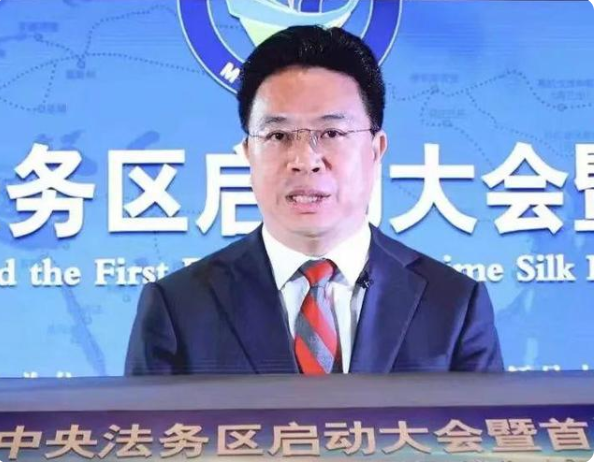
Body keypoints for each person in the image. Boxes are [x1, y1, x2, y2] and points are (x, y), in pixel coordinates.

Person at [125, 25, 503, 375]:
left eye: (332, 133)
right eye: (278, 136)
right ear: (248, 153)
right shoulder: (178, 308)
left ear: (375, 150)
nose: (305, 160)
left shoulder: (453, 305)